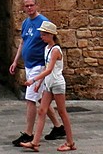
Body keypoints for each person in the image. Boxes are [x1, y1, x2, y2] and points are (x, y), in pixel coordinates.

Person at [10, 0, 65, 146]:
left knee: (30, 99)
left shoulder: (44, 22)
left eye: (31, 5)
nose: (29, 8)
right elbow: (23, 42)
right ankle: (59, 127)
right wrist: (15, 61)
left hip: (38, 66)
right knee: (41, 98)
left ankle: (28, 134)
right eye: (26, 6)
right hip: (29, 65)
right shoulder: (26, 22)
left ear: (36, 5)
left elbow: (50, 41)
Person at [21, 21, 76, 152]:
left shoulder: (56, 50)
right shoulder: (47, 48)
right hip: (48, 84)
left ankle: (70, 142)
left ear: (50, 35)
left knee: (62, 112)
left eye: (44, 35)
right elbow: (46, 67)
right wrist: (39, 83)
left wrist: (33, 80)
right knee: (42, 110)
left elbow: (50, 69)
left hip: (56, 84)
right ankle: (34, 142)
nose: (41, 37)